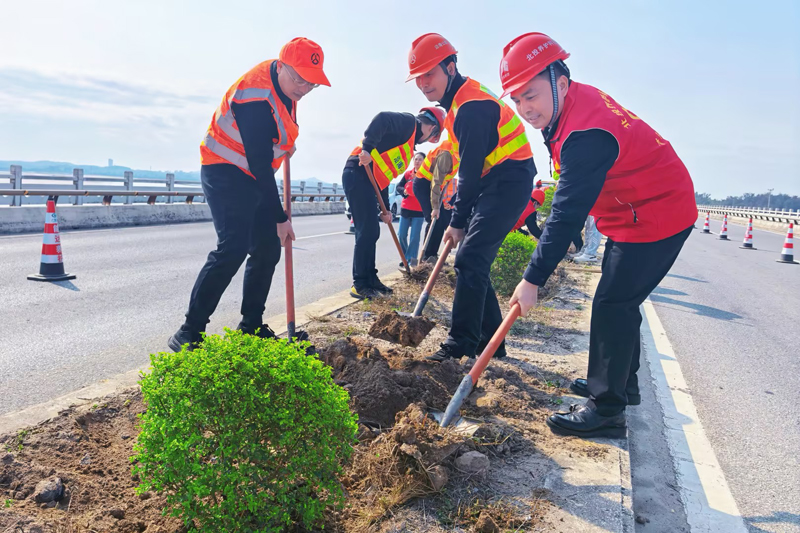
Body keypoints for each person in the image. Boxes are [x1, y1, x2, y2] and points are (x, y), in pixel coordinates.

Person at [501, 33, 697, 438]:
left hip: (658, 212)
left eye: (530, 96)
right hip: (636, 212)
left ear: (560, 81)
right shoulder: (570, 106)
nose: (524, 109)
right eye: (516, 100)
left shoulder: (586, 133)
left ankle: (607, 410)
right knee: (619, 301)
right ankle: (622, 385)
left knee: (612, 304)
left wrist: (532, 279)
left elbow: (566, 214)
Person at [168, 38, 331, 352]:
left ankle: (250, 327)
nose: (304, 88)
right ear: (281, 65)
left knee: (268, 248)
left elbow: (272, 141)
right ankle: (189, 331)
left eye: (312, 83)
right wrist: (280, 217)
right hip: (225, 169)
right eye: (299, 78)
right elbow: (258, 160)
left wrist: (285, 147)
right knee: (233, 247)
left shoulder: (288, 88)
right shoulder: (254, 93)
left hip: (252, 173)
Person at [406, 33, 537, 362]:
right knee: (473, 262)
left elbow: (470, 170)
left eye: (430, 74)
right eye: (418, 77)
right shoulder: (460, 102)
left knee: (469, 260)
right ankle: (493, 344)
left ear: (450, 67)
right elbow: (468, 168)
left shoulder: (470, 108)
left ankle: (461, 343)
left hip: (508, 181)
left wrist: (458, 221)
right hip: (496, 182)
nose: (423, 83)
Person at [343, 106, 445, 300]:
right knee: (366, 230)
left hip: (370, 179)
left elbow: (383, 175)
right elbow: (381, 119)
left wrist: (386, 209)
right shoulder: (409, 123)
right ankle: (359, 284)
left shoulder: (406, 148)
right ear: (432, 128)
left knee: (372, 231)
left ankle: (371, 279)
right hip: (357, 172)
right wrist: (367, 149)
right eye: (433, 136)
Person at [414, 140, 458, 261]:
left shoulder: (458, 156)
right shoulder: (447, 155)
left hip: (434, 187)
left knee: (442, 220)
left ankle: (432, 256)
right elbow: (436, 181)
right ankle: (425, 257)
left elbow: (446, 180)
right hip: (423, 184)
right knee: (434, 218)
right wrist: (436, 207)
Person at [396, 153, 426, 267]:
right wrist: (404, 191)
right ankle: (404, 258)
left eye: (420, 159)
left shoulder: (426, 175)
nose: (417, 161)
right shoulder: (408, 174)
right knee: (402, 235)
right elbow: (399, 186)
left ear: (424, 161)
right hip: (405, 209)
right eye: (416, 159)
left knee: (414, 237)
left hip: (419, 211)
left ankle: (410, 259)